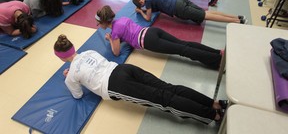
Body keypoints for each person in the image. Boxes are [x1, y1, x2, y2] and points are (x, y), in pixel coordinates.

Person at [54, 34, 227, 124]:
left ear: (61, 58)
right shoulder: (89, 52)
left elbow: (77, 95)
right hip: (124, 68)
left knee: (165, 99)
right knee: (169, 88)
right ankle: (215, 103)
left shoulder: (70, 77)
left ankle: (214, 116)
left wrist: (69, 76)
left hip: (115, 84)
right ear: (73, 47)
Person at [96, 5, 223, 69]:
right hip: (152, 31)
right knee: (184, 44)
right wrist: (114, 37)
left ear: (103, 22)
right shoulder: (122, 19)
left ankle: (217, 61)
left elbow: (116, 53)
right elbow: (126, 34)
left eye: (98, 23)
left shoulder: (114, 33)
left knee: (182, 50)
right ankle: (217, 52)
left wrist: (111, 39)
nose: (98, 26)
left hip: (149, 41)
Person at [132, 0, 248, 24]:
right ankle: (237, 17)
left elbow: (148, 18)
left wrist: (140, 11)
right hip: (181, 0)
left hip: (179, 9)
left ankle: (237, 21)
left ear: (141, 3)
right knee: (208, 13)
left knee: (207, 16)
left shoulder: (147, 3)